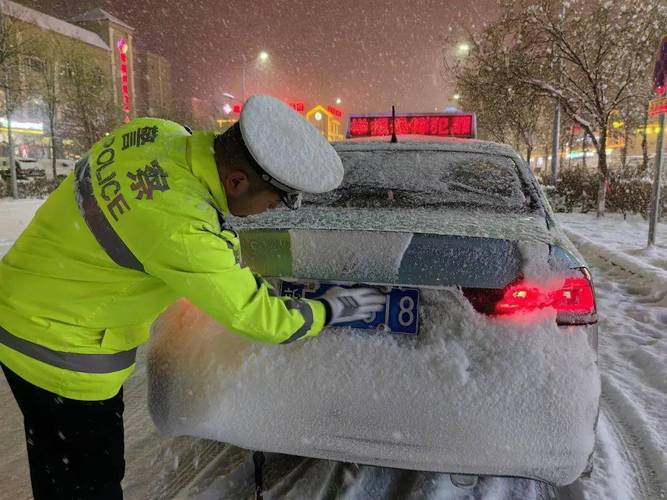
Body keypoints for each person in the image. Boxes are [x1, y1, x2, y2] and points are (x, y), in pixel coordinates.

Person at [0, 95, 386, 499]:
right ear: (236, 182)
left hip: (23, 305)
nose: (267, 213)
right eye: (271, 203)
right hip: (61, 352)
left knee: (55, 467)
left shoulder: (154, 133)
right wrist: (333, 308)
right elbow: (262, 318)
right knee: (88, 484)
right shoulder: (184, 229)